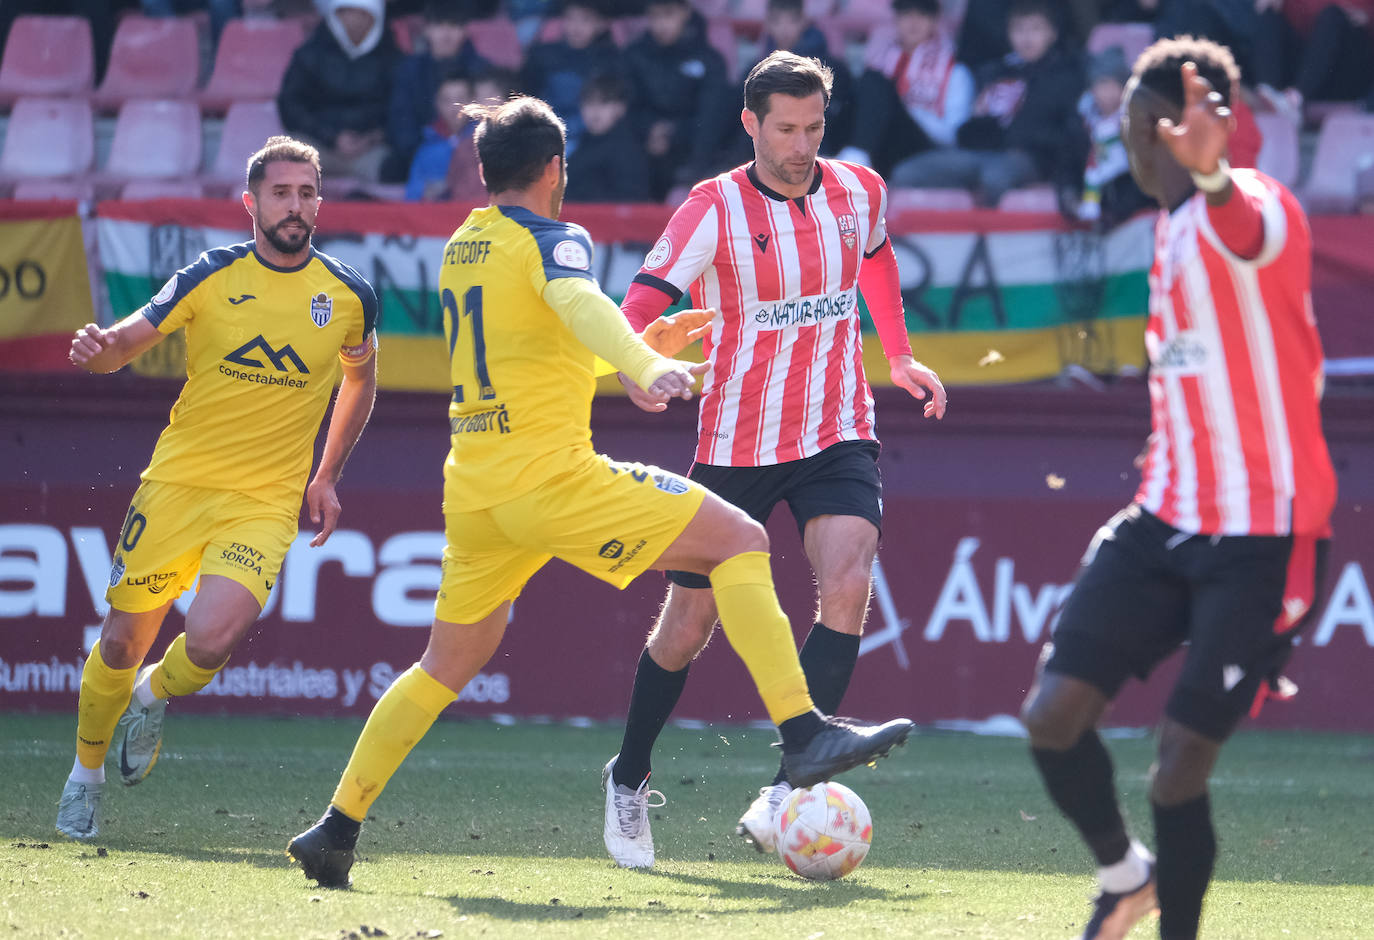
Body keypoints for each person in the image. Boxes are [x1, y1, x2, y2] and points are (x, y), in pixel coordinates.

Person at [285, 94, 915, 888]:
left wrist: (644, 342)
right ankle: (803, 732)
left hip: (476, 494)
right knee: (741, 540)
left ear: (485, 172)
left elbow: (538, 353)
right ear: (555, 169)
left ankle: (336, 826)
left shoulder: (464, 245)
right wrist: (644, 365)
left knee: (440, 666)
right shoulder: (557, 238)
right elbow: (581, 303)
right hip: (554, 480)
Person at [1019, 38, 1336, 940]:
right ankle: (1126, 877)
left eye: (1130, 123)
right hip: (1164, 518)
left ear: (1165, 128)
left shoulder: (1255, 205)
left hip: (1263, 536)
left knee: (1178, 764)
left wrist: (1217, 175)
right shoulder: (1167, 232)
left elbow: (1248, 226)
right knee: (1051, 717)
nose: (1122, 142)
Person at [601, 50, 947, 868]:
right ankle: (627, 774)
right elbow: (642, 299)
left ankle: (789, 783)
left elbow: (877, 257)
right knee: (688, 626)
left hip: (836, 427)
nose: (801, 145)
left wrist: (898, 354)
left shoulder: (860, 190)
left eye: (814, 127)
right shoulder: (712, 207)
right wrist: (633, 364)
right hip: (737, 441)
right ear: (750, 123)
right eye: (785, 128)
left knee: (849, 579)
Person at [55, 136, 380, 841]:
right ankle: (85, 777)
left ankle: (152, 695)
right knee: (121, 644)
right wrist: (96, 350)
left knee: (209, 640)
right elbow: (125, 343)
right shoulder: (208, 274)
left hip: (264, 501)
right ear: (251, 203)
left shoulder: (350, 295)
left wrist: (326, 474)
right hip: (178, 485)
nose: (295, 206)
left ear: (319, 202)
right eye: (281, 193)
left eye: (306, 194)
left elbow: (360, 380)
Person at [891, 0, 1087, 206]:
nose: (1026, 38)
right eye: (1019, 29)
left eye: (1036, 29)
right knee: (907, 173)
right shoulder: (995, 73)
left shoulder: (1067, 77)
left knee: (993, 178)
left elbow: (1069, 134)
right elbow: (969, 129)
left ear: (1052, 34)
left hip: (1029, 158)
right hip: (980, 154)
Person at [838, 0, 974, 178]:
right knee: (846, 77)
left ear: (934, 21)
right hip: (883, 142)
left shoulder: (954, 71)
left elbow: (954, 134)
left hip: (922, 145)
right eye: (906, 15)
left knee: (875, 82)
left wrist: (909, 110)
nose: (913, 22)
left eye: (922, 15)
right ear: (896, 19)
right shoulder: (881, 60)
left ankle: (857, 157)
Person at [622, 0, 736, 200]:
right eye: (654, 16)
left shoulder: (710, 61)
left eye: (668, 14)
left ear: (685, 13)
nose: (661, 24)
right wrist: (649, 129)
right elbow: (626, 109)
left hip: (691, 163)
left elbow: (711, 123)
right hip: (640, 158)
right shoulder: (633, 57)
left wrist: (673, 133)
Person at [277, 0, 400, 183]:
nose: (353, 19)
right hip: (318, 145)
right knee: (285, 163)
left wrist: (371, 138)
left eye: (362, 13)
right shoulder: (309, 55)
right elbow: (290, 105)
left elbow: (401, 111)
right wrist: (331, 137)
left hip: (371, 150)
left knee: (397, 168)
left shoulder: (395, 60)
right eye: (346, 11)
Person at [386, 0, 490, 183]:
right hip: (418, 155)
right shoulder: (409, 70)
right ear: (426, 30)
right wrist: (427, 154)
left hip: (472, 159)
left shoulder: (482, 70)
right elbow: (401, 121)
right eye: (439, 25)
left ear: (465, 31)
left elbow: (488, 122)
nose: (446, 34)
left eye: (454, 25)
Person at [518, 0, 622, 154]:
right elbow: (525, 96)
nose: (576, 26)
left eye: (585, 20)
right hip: (545, 136)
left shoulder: (610, 61)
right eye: (570, 18)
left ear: (600, 24)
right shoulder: (541, 55)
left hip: (593, 139)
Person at [1073, 45, 1150, 227]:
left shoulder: (1137, 120)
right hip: (1093, 202)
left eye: (1110, 85)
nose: (1104, 93)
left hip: (1130, 208)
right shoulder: (1081, 121)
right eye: (1099, 85)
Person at [564, 71, 653, 202]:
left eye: (604, 102)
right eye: (589, 103)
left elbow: (631, 199)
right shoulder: (582, 145)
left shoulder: (627, 150)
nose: (595, 111)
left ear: (621, 108)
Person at [404, 66, 477, 201]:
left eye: (461, 99)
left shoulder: (484, 143)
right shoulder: (427, 149)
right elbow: (412, 195)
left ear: (473, 101)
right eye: (446, 100)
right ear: (437, 103)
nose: (454, 108)